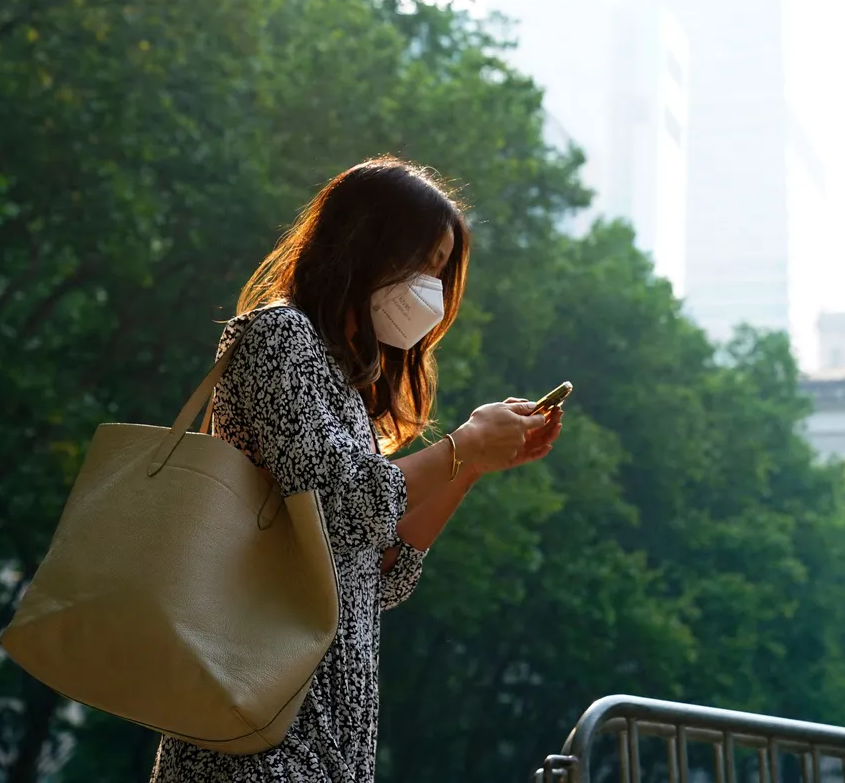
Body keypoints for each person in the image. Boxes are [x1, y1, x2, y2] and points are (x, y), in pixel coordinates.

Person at [150, 158, 563, 782]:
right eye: (423, 262)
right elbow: (340, 505)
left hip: (328, 738)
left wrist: (471, 466)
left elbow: (380, 575)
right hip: (249, 729)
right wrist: (461, 445)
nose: (433, 287)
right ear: (364, 244)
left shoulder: (348, 388)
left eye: (441, 271)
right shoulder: (277, 338)